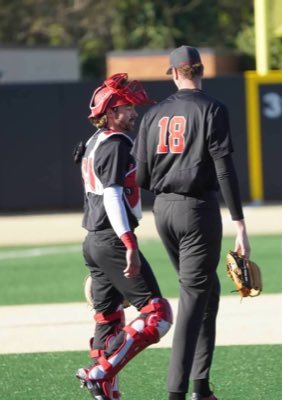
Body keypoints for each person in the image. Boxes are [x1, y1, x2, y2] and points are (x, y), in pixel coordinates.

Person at [134, 45, 250, 400]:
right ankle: (176, 393)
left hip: (164, 212)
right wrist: (239, 222)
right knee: (193, 298)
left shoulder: (153, 115)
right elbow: (223, 168)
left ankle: (201, 385)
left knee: (207, 292)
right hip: (197, 211)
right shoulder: (213, 108)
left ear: (172, 73)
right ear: (200, 70)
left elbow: (139, 175)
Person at [73, 73, 173, 400]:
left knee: (108, 320)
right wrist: (129, 242)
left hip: (94, 240)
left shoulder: (93, 142)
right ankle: (101, 374)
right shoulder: (116, 143)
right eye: (127, 107)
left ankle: (106, 392)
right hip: (112, 238)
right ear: (111, 111)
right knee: (157, 314)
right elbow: (113, 195)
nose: (133, 112)